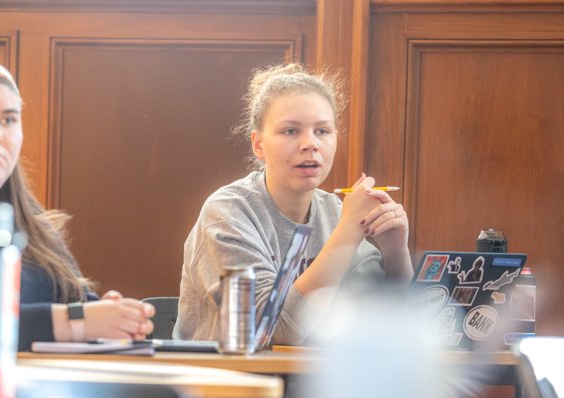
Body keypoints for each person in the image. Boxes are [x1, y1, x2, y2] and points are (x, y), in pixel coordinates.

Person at [0, 56, 154, 351]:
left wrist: (117, 317)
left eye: (9, 120)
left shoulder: (26, 215)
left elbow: (79, 302)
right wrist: (76, 322)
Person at [173, 63, 414, 345]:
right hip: (227, 384)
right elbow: (272, 333)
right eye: (290, 131)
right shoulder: (227, 212)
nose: (310, 144)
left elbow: (387, 321)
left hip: (308, 384)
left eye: (322, 131)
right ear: (259, 144)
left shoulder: (333, 211)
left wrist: (396, 252)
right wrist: (348, 231)